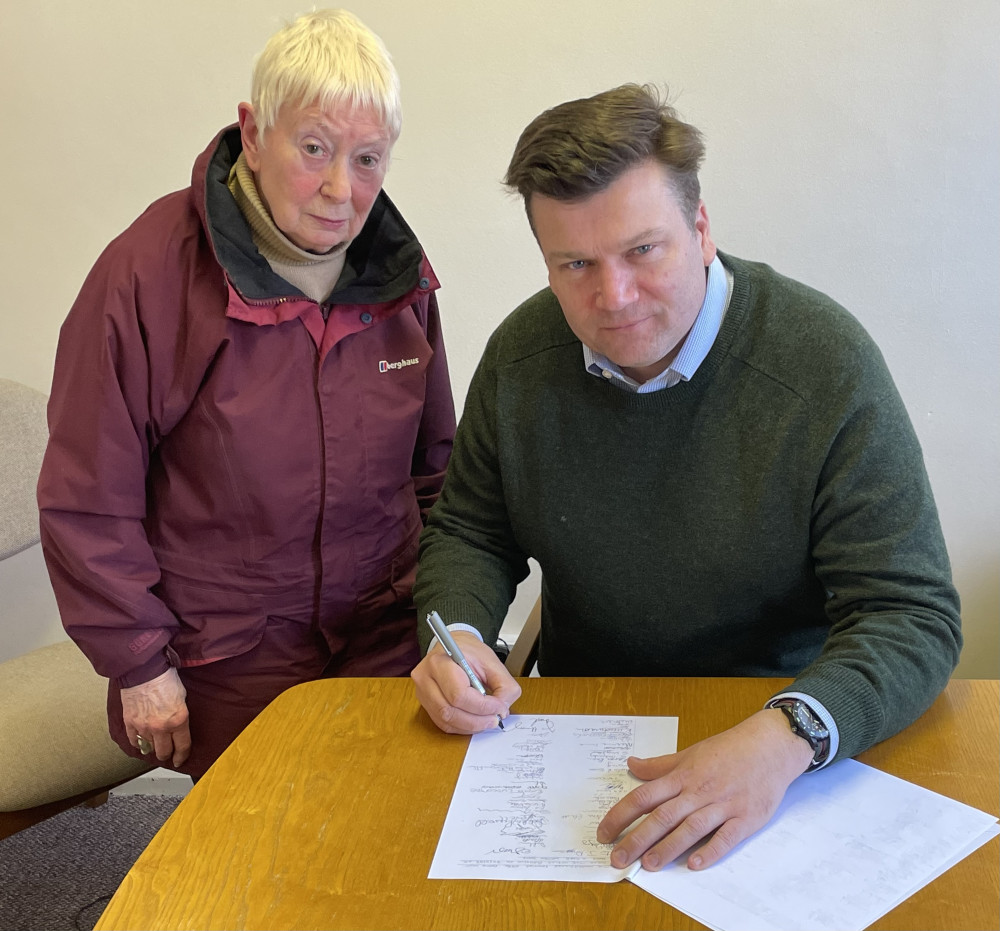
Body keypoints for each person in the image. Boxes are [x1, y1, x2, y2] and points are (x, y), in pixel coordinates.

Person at [410, 83, 961, 872]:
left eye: (643, 250)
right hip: (581, 724)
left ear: (700, 229)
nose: (615, 297)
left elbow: (912, 614)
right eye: (575, 264)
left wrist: (784, 738)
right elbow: (471, 527)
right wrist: (458, 632)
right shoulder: (522, 358)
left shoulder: (824, 364)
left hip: (780, 730)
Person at [37, 9, 455, 781]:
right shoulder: (146, 274)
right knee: (261, 857)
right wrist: (138, 662)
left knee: (393, 831)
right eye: (315, 149)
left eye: (367, 158)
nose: (341, 189)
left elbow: (437, 472)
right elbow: (87, 496)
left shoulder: (401, 275)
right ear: (254, 133)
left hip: (381, 633)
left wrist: (449, 617)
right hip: (231, 650)